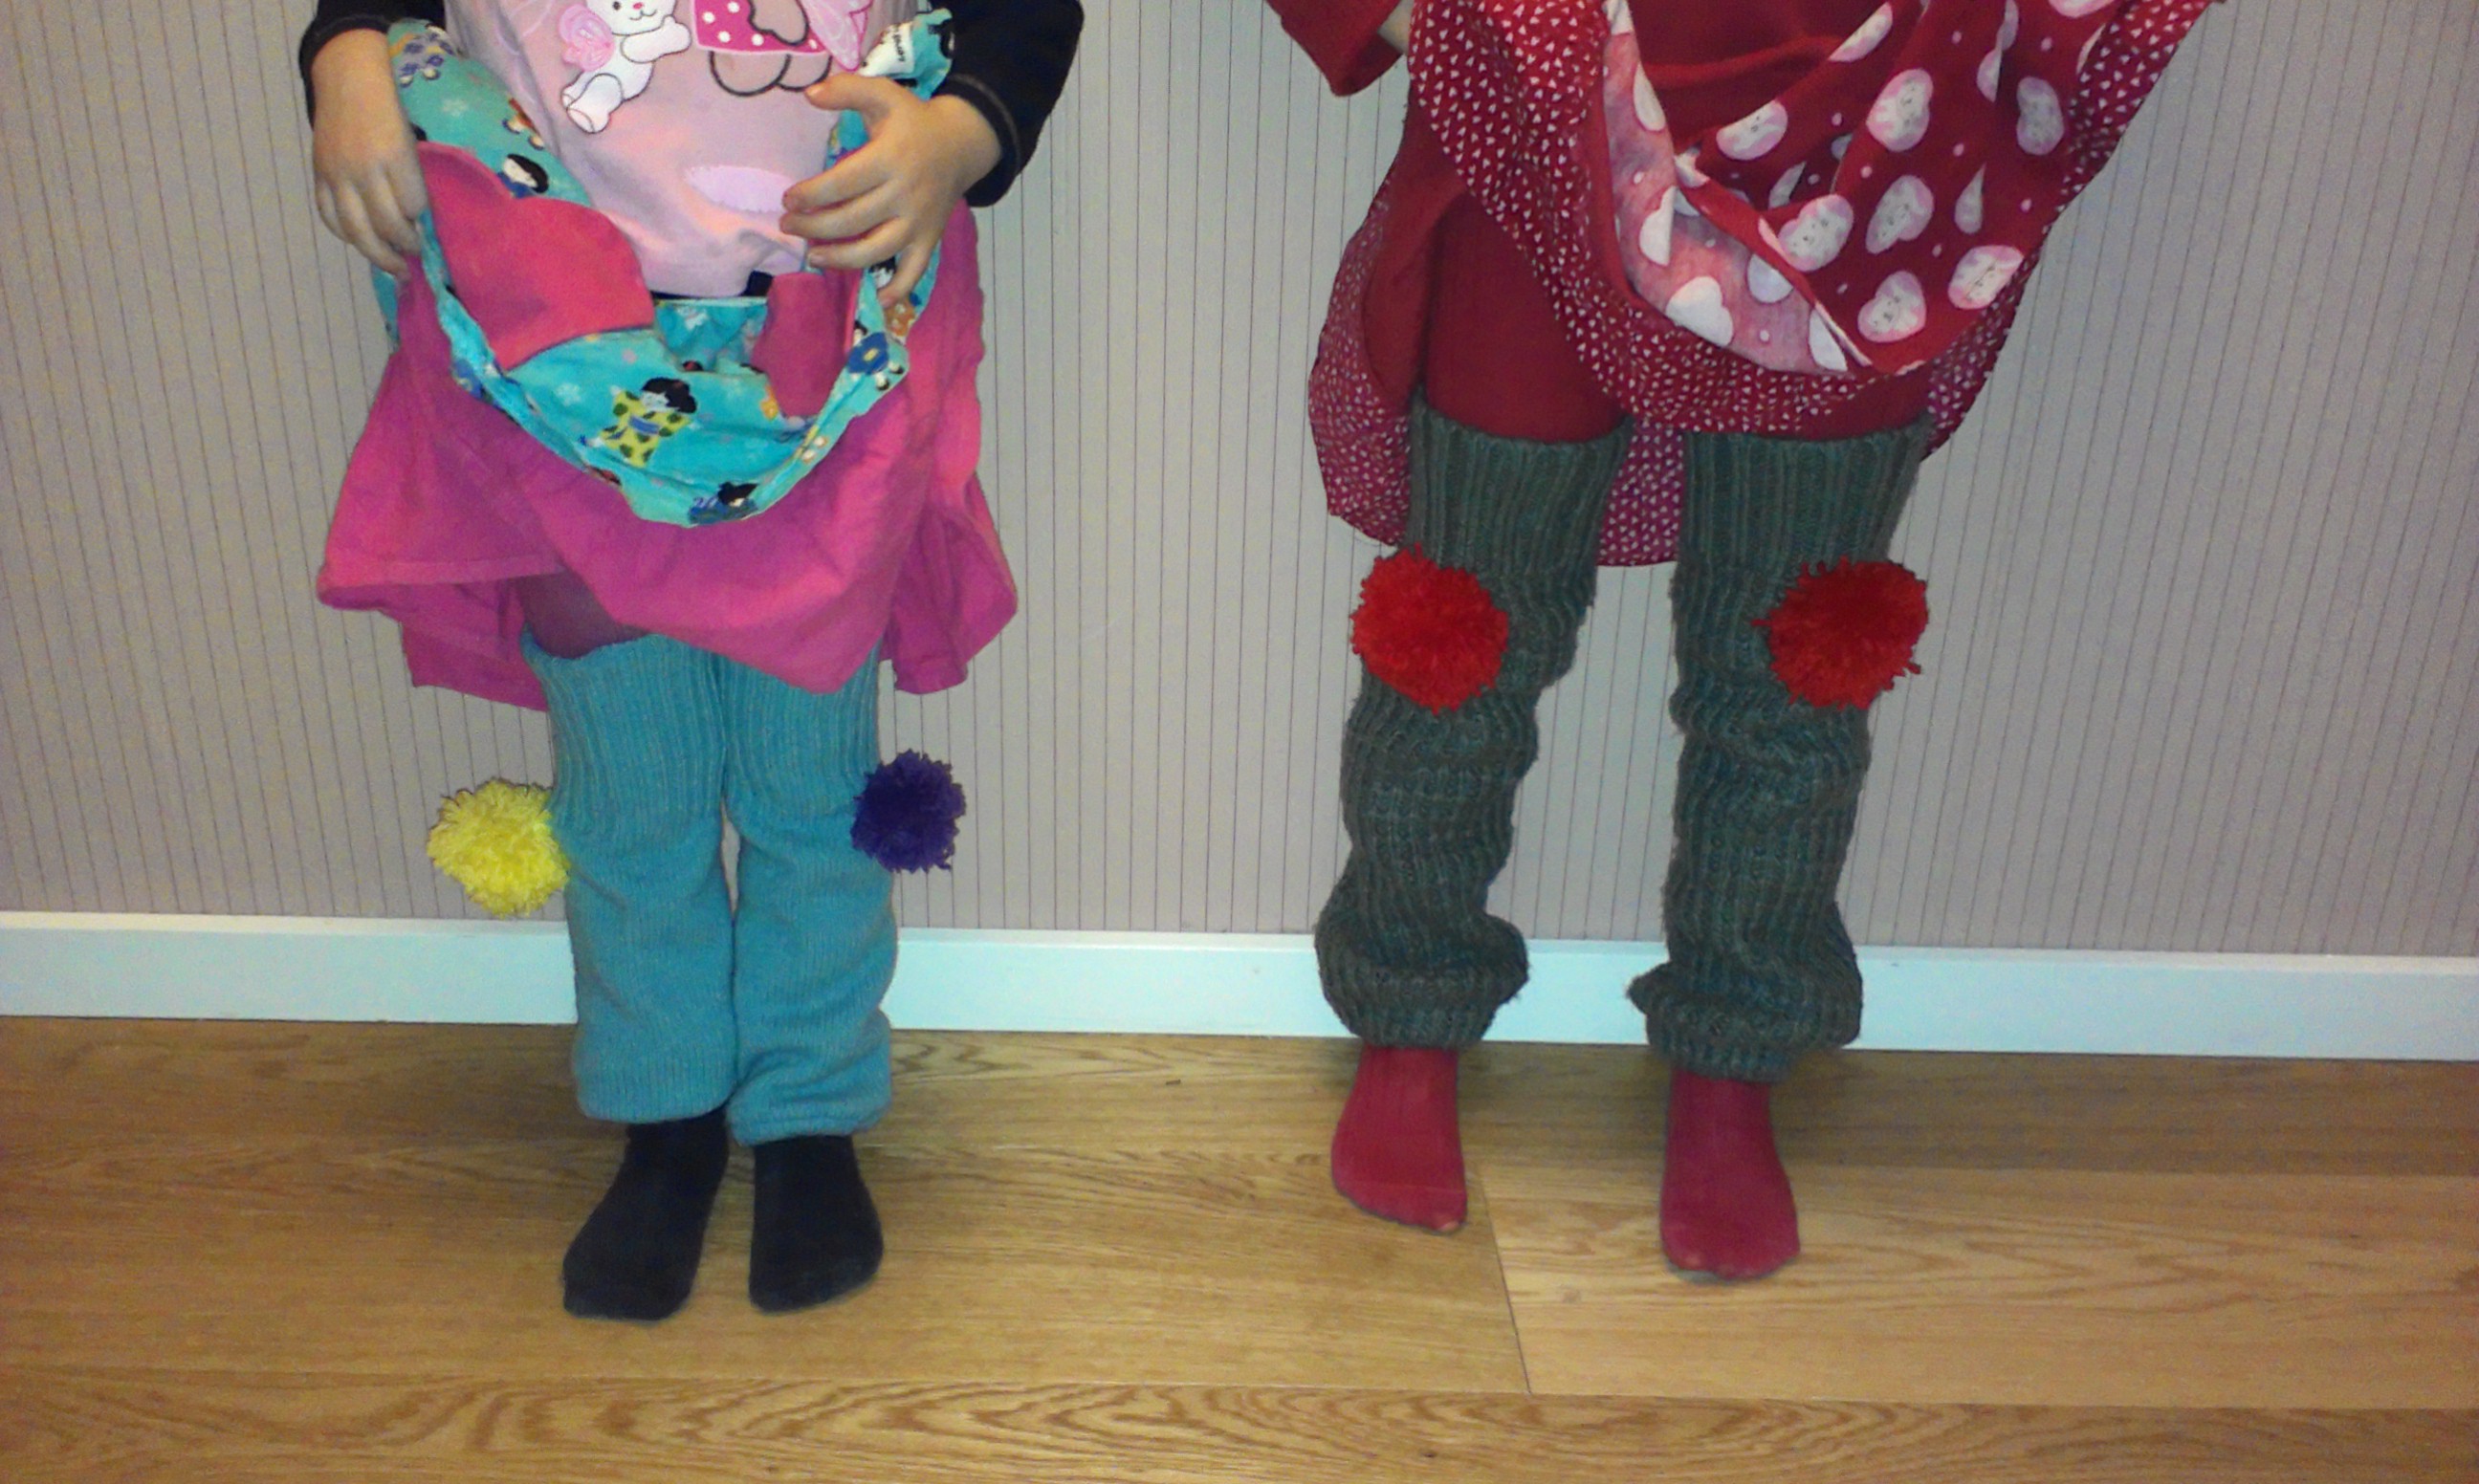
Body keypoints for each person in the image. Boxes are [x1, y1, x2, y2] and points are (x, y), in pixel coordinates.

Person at [1270, 0, 2213, 1277]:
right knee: (1461, 642)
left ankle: (1734, 1052)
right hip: (1545, 120)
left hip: (1871, 158)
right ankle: (1408, 1011)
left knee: (1796, 670)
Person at [299, 0, 1082, 1320]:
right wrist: (346, 55)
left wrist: (959, 133)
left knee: (810, 795)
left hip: (822, 354)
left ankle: (809, 1112)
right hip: (553, 363)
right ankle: (666, 1115)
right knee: (631, 800)